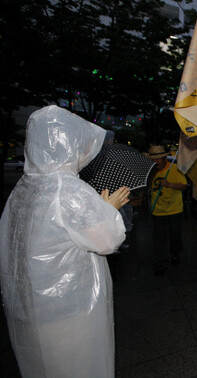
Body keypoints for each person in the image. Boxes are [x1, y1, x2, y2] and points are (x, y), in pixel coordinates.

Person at [0, 105, 130, 378]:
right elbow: (107, 240)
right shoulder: (67, 189)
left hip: (30, 309)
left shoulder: (24, 187)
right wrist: (110, 207)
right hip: (70, 312)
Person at [148, 145, 187, 275]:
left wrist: (169, 185)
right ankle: (160, 263)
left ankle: (175, 254)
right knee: (159, 239)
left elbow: (184, 186)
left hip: (174, 210)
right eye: (153, 159)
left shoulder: (174, 169)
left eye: (158, 159)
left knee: (175, 235)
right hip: (157, 211)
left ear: (165, 158)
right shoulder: (150, 171)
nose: (156, 162)